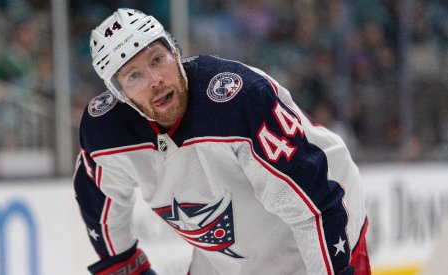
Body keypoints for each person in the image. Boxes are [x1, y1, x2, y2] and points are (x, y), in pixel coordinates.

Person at [74, 8, 370, 275]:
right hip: (225, 260)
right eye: (134, 75)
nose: (155, 80)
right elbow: (103, 215)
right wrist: (126, 267)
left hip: (323, 219)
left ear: (175, 52)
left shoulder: (237, 100)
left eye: (157, 59)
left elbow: (315, 207)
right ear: (120, 94)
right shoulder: (105, 134)